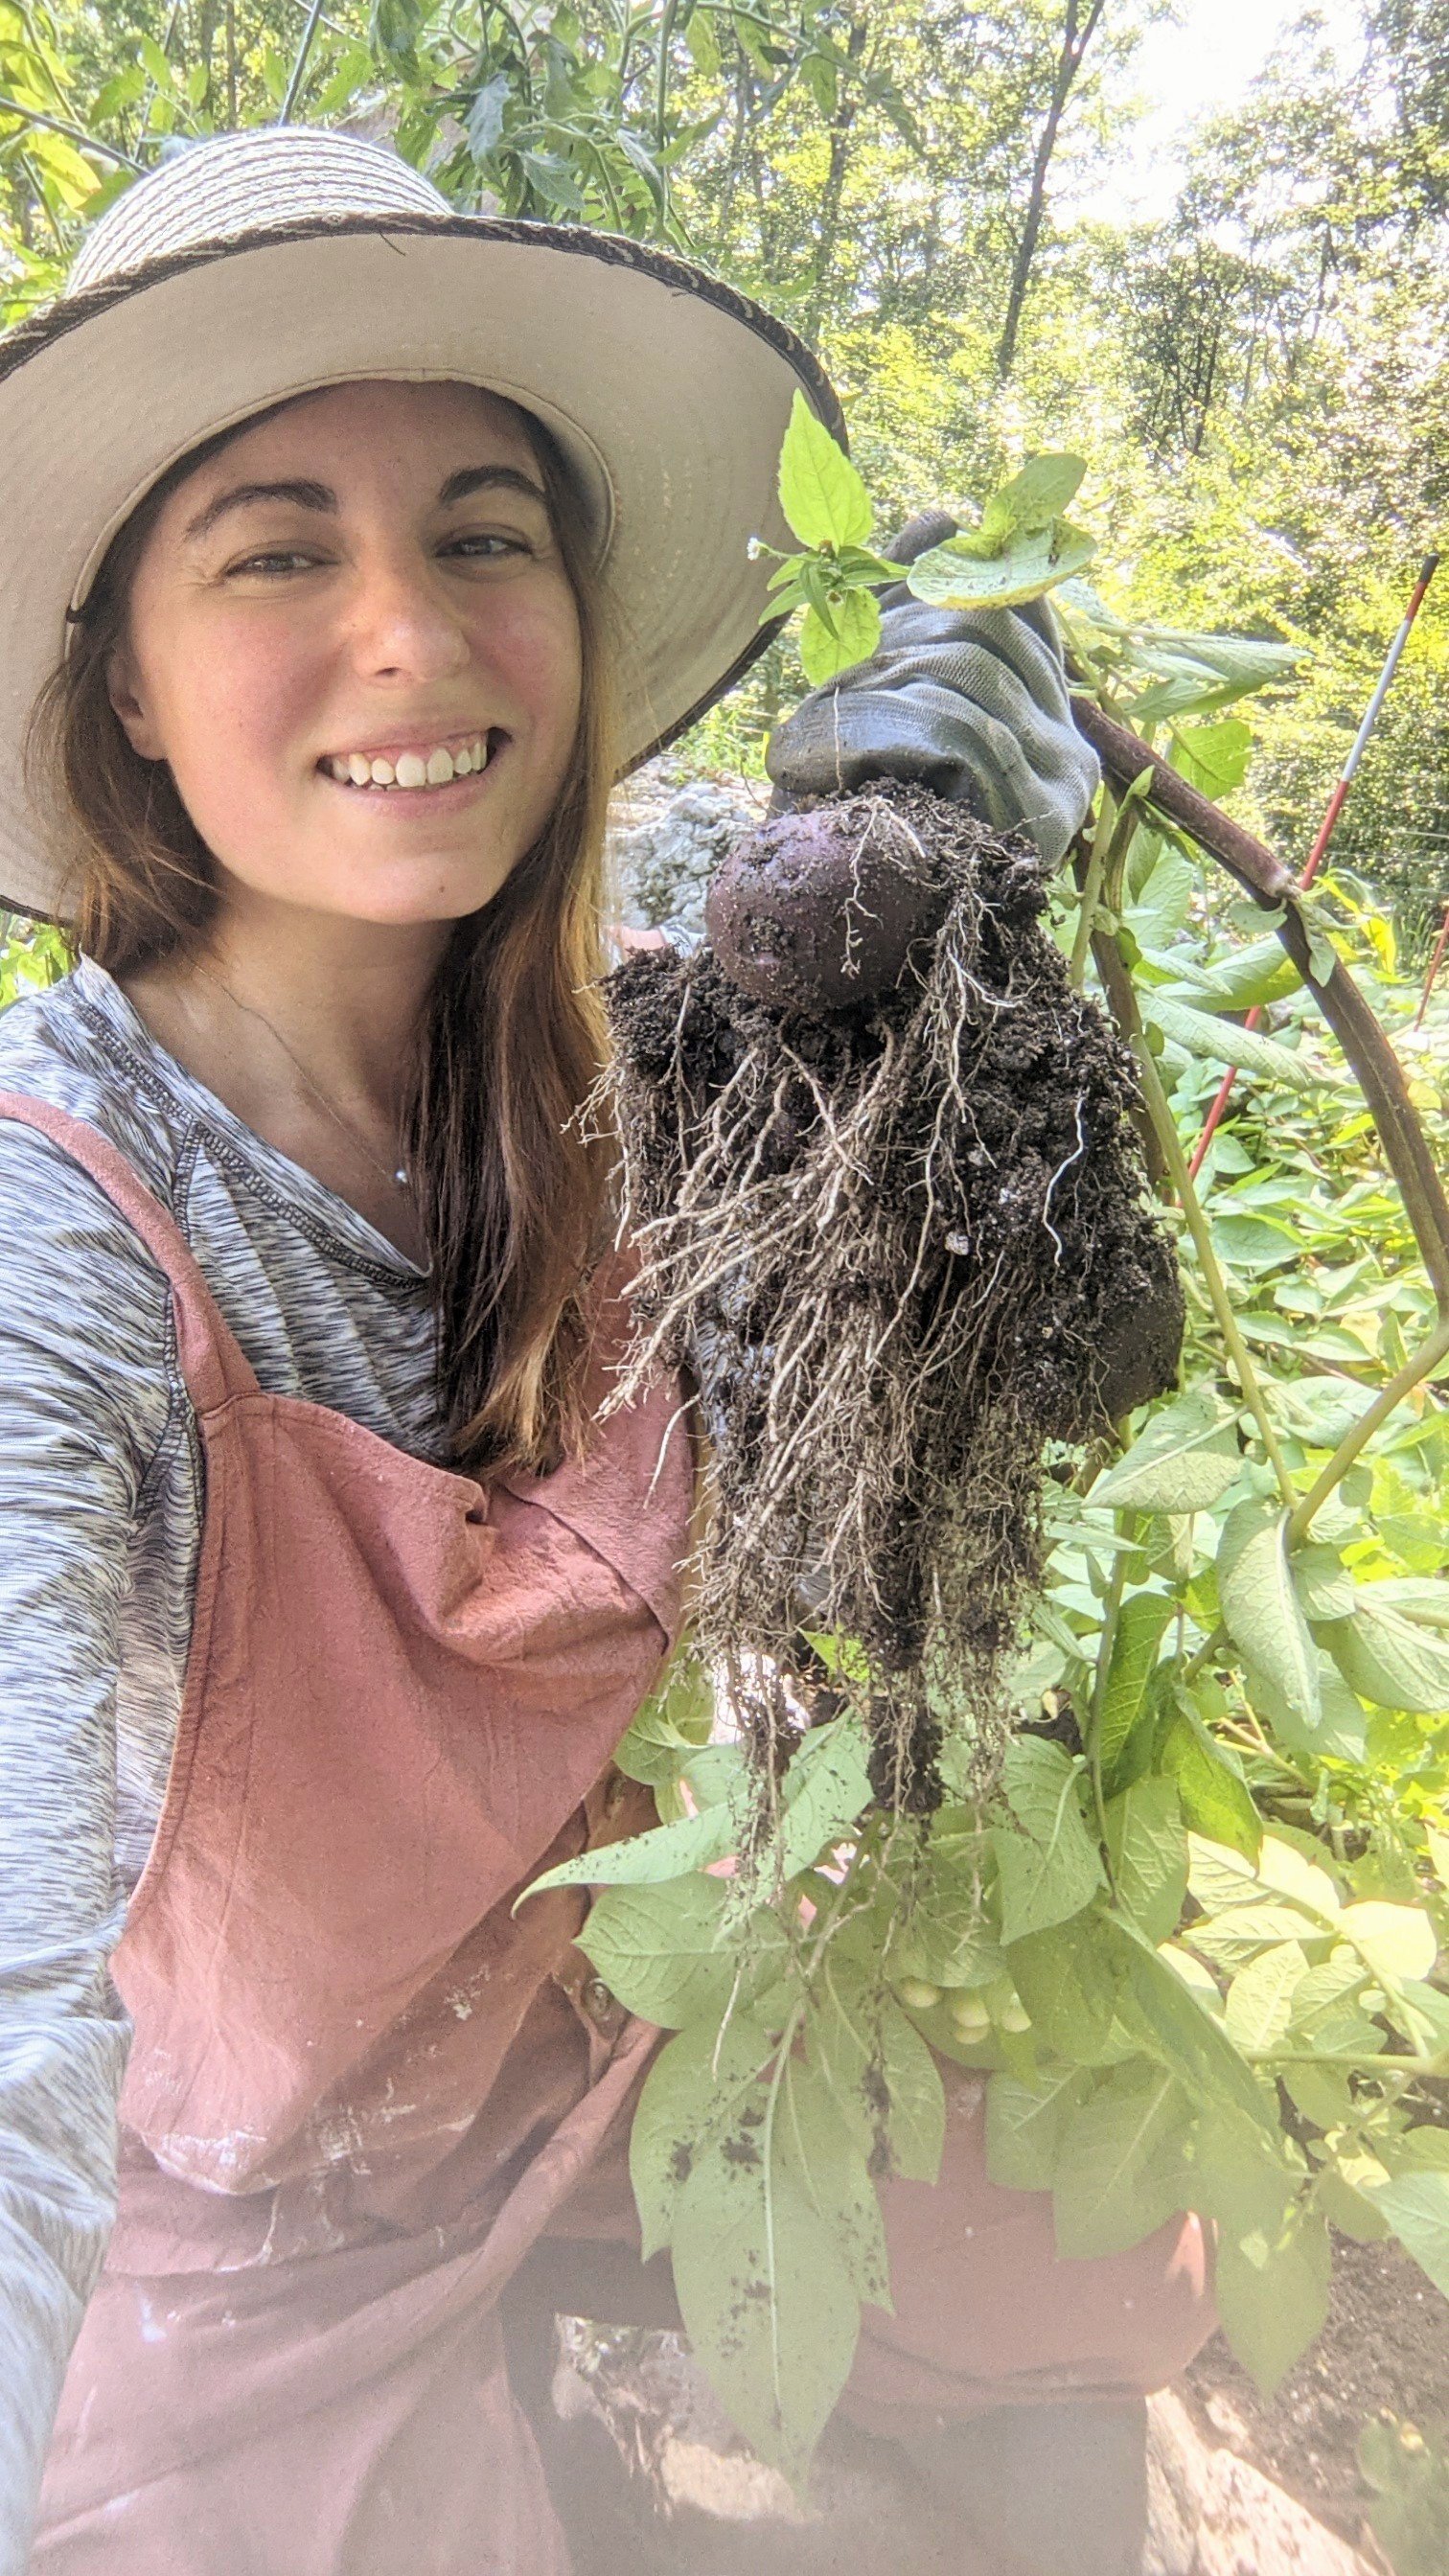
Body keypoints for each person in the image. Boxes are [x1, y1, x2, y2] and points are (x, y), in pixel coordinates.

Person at [0, 126, 1208, 2576]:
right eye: (273, 552)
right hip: (255, 2192)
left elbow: (1062, 1386)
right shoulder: (61, 1229)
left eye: (480, 531)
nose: (414, 638)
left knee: (1087, 2257)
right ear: (120, 675)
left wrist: (960, 977)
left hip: (626, 1993)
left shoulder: (676, 1048)